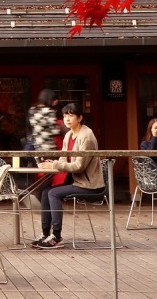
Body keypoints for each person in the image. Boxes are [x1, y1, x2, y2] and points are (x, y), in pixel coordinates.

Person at [32, 103, 104, 249]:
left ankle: (57, 236)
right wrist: (52, 163)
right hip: (77, 181)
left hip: (90, 185)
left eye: (71, 115)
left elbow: (79, 166)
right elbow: (64, 160)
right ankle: (46, 234)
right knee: (46, 192)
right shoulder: (69, 135)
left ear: (80, 117)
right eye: (65, 116)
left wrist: (55, 166)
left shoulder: (86, 136)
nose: (67, 119)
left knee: (53, 193)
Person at [27, 89, 62, 155]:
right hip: (48, 148)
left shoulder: (32, 110)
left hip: (37, 146)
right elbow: (55, 131)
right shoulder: (49, 112)